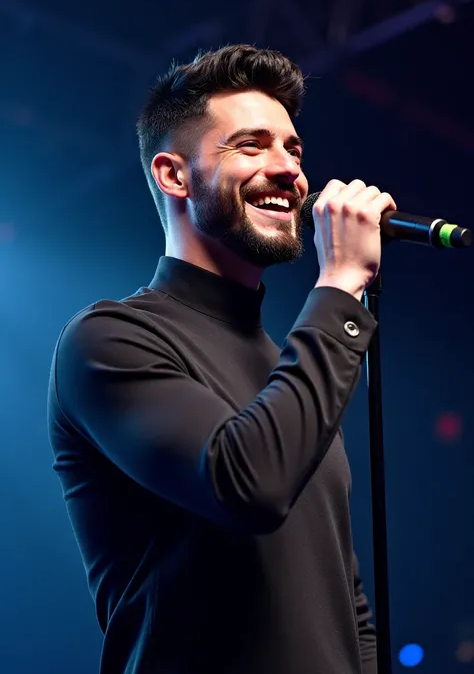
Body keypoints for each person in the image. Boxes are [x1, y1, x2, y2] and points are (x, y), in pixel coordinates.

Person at [47, 44, 396, 674]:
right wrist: (341, 283)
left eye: (293, 149)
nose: (289, 169)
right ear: (175, 175)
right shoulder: (109, 341)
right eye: (251, 145)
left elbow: (345, 602)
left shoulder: (288, 364)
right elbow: (247, 485)